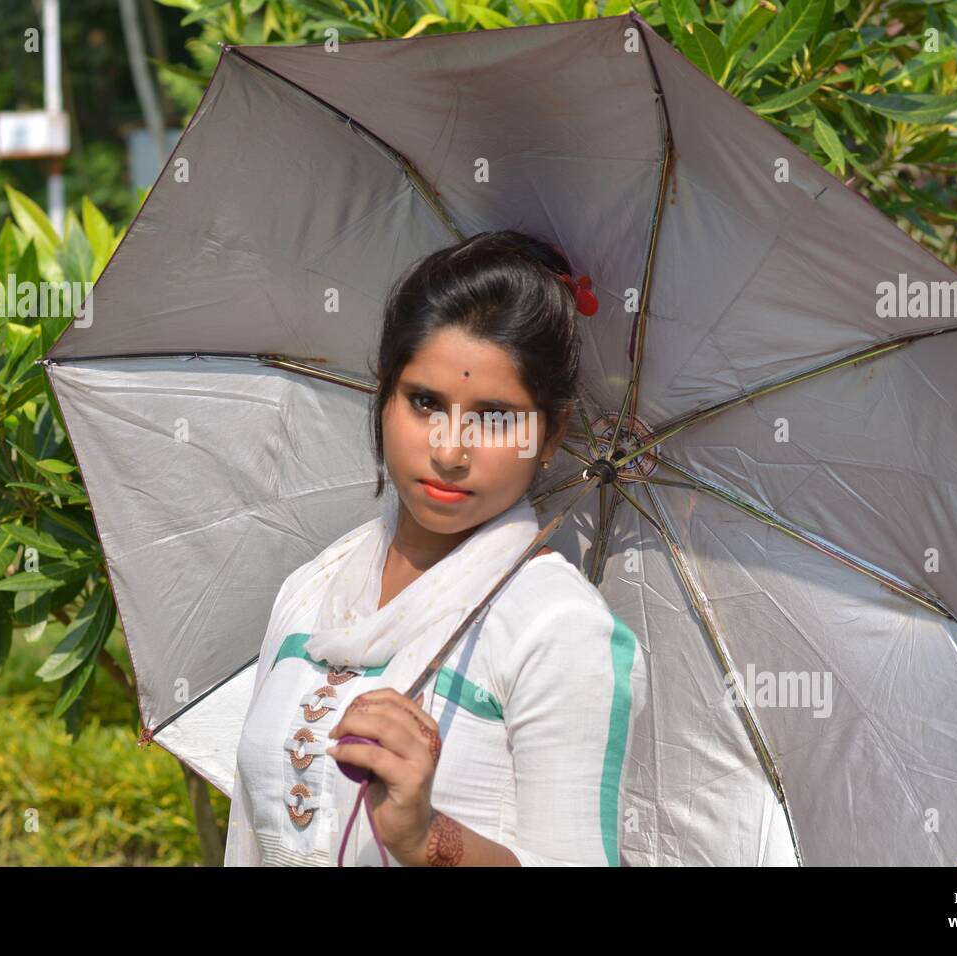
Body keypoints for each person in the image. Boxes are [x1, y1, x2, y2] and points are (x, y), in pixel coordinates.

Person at [223, 230, 647, 866]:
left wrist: (426, 838)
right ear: (384, 394)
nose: (450, 451)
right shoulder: (313, 591)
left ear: (551, 433)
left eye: (496, 417)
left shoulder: (557, 630)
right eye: (424, 403)